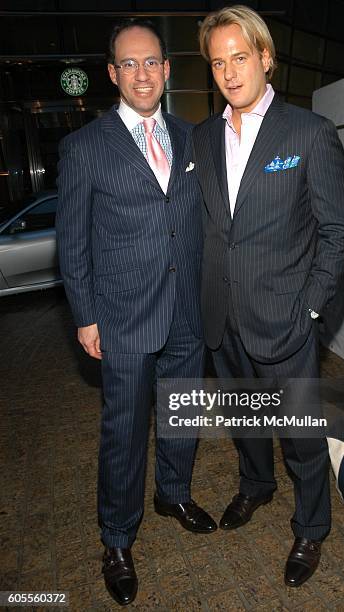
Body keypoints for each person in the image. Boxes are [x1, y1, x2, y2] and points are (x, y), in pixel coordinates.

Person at [193, 5, 344, 587]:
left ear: (265, 57)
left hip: (285, 321)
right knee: (245, 422)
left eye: (240, 57)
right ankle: (255, 487)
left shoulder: (309, 133)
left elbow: (338, 234)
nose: (230, 73)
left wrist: (308, 310)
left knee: (303, 437)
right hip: (222, 319)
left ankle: (311, 528)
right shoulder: (203, 137)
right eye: (217, 63)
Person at [56, 18, 216, 607]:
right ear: (112, 74)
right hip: (121, 317)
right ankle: (117, 539)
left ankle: (173, 494)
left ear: (168, 69)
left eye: (151, 62)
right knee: (123, 432)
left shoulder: (194, 136)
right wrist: (85, 315)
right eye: (129, 64)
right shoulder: (83, 147)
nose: (142, 73)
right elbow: (71, 243)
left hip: (187, 313)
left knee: (182, 412)